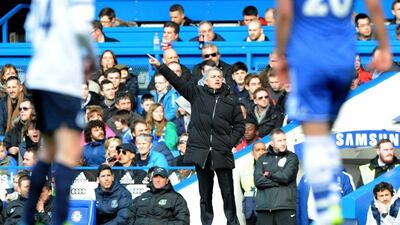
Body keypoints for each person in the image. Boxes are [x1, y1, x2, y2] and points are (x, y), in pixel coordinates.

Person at [275, 0, 392, 224]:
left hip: (311, 59)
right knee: (326, 128)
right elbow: (375, 6)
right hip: (341, 61)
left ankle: (324, 205)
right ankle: (327, 202)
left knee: (315, 134)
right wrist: (385, 46)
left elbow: (285, 13)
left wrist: (281, 55)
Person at [149, 55, 245, 225]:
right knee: (205, 196)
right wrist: (161, 66)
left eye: (219, 77)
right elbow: (177, 82)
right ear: (205, 81)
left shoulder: (231, 100)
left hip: (222, 153)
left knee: (228, 195)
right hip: (201, 154)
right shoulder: (196, 93)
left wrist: (229, 142)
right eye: (213, 76)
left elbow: (239, 126)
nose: (216, 79)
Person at [254, 129, 299, 225]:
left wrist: (269, 175)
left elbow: (286, 177)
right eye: (279, 141)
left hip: (285, 208)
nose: (283, 143)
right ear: (272, 143)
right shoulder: (262, 158)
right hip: (264, 210)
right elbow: (258, 181)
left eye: (284, 140)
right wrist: (277, 182)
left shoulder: (292, 157)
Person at [239, 142, 267, 225]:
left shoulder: (272, 167)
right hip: (250, 210)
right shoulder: (245, 169)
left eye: (263, 150)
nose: (261, 152)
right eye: (258, 150)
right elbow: (243, 189)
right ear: (252, 153)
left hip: (266, 209)